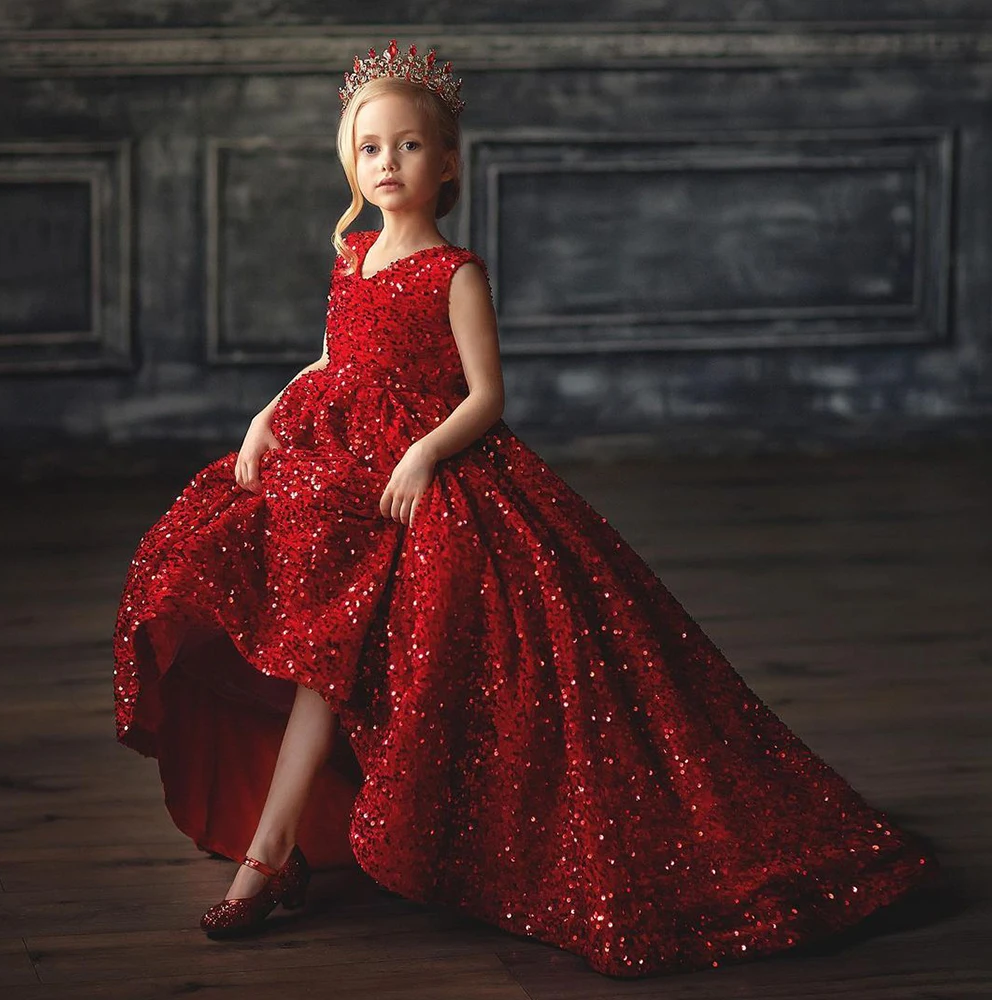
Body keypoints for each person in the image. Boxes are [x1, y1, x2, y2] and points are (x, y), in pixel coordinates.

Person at [112, 39, 941, 978]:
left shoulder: (454, 271)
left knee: (376, 660)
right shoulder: (351, 254)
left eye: (410, 147)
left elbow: (486, 398)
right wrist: (266, 413)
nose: (390, 164)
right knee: (307, 644)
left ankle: (274, 861)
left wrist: (424, 452)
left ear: (449, 161)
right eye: (371, 147)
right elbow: (331, 359)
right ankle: (268, 858)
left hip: (430, 480)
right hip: (336, 472)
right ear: (349, 159)